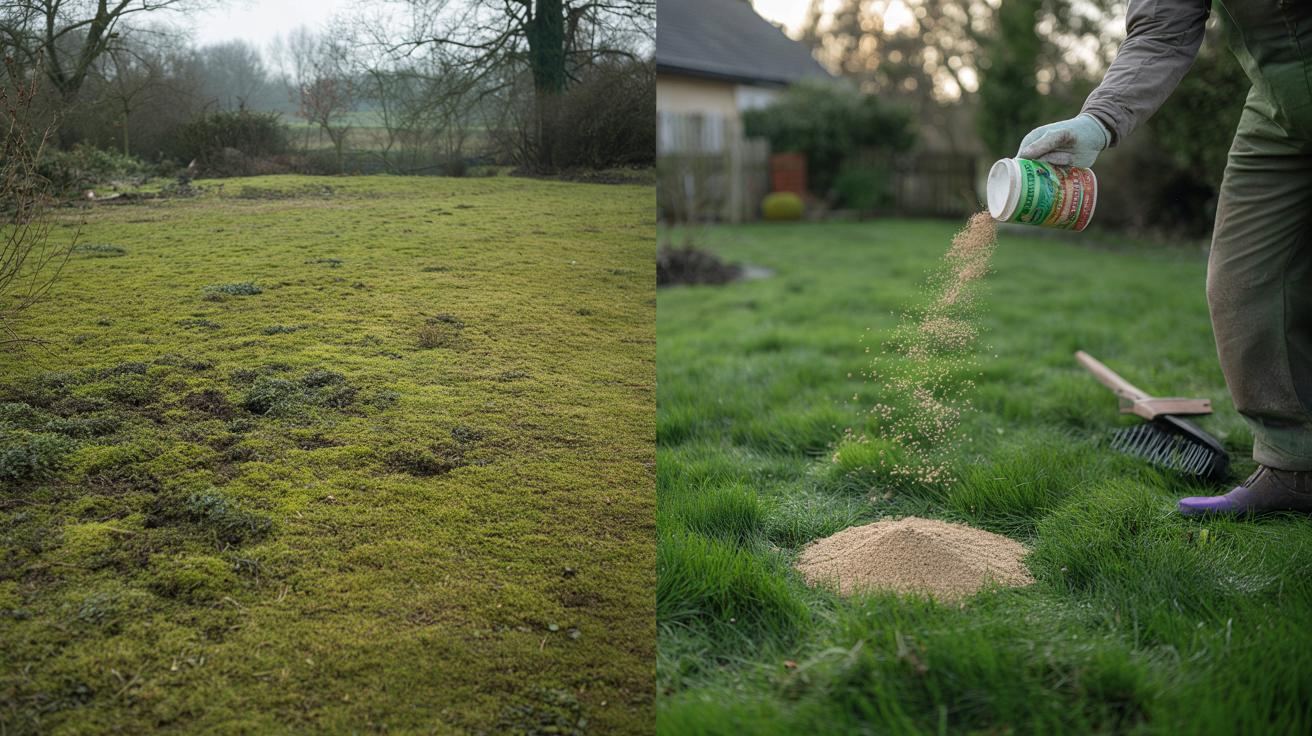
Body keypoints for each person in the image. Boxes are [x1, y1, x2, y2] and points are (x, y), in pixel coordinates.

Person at [1017, 1, 1312, 515]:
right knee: (1243, 284)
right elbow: (1161, 29)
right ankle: (1296, 467)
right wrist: (1098, 121)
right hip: (1280, 104)